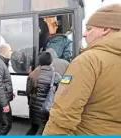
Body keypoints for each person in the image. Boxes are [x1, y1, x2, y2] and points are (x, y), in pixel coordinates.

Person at [43, 4, 121, 135]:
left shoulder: (88, 61)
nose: (84, 34)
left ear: (106, 29)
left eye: (89, 29)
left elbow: (63, 115)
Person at [26, 52, 61, 135]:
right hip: (46, 111)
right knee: (43, 131)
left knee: (33, 129)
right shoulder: (56, 76)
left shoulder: (32, 74)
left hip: (33, 109)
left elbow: (28, 92)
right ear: (51, 62)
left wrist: (30, 104)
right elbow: (60, 95)